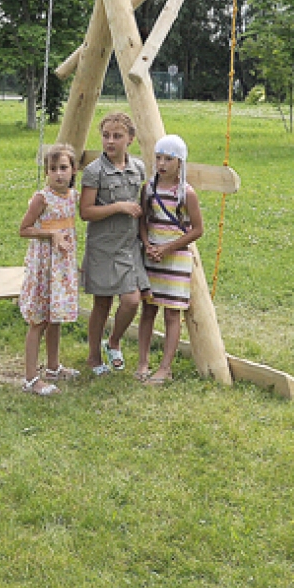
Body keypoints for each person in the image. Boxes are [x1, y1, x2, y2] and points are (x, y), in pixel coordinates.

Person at [79, 111, 149, 375]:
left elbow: (141, 206)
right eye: (106, 135)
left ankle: (114, 341)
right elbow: (85, 212)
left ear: (130, 139)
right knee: (102, 303)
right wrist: (117, 207)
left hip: (129, 246)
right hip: (104, 247)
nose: (110, 141)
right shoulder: (94, 171)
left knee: (132, 300)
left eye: (117, 136)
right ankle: (94, 357)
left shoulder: (137, 168)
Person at [136, 135, 203, 385]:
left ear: (180, 162)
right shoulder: (149, 188)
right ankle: (143, 362)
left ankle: (165, 367)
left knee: (172, 314)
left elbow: (197, 229)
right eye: (158, 158)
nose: (162, 164)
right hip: (152, 255)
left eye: (168, 159)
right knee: (148, 309)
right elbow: (143, 220)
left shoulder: (186, 194)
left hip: (175, 260)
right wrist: (147, 244)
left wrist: (168, 248)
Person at [17, 142, 80, 396]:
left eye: (63, 168)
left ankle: (53, 367)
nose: (58, 174)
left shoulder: (72, 197)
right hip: (44, 266)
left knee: (56, 318)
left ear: (73, 170)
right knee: (39, 321)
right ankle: (31, 378)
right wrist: (51, 234)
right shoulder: (42, 198)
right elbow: (24, 229)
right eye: (52, 168)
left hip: (61, 266)